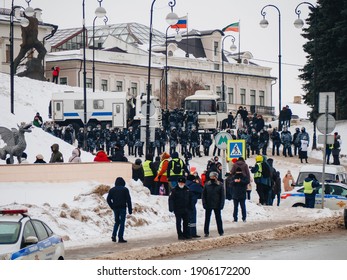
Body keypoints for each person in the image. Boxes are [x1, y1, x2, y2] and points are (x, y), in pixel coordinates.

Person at [106, 177, 132, 243]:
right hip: (123, 208)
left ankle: (114, 235)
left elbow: (108, 199)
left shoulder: (112, 190)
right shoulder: (125, 189)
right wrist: (130, 210)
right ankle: (120, 237)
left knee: (116, 222)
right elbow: (128, 200)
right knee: (122, 223)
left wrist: (112, 206)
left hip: (115, 208)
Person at [202, 171, 225, 237]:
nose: (212, 178)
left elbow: (222, 196)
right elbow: (203, 195)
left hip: (217, 204)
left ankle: (221, 231)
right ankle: (206, 232)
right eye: (211, 176)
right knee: (207, 219)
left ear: (216, 177)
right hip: (208, 204)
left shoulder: (220, 185)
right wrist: (204, 203)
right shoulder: (207, 184)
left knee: (218, 218)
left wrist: (221, 204)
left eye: (213, 176)